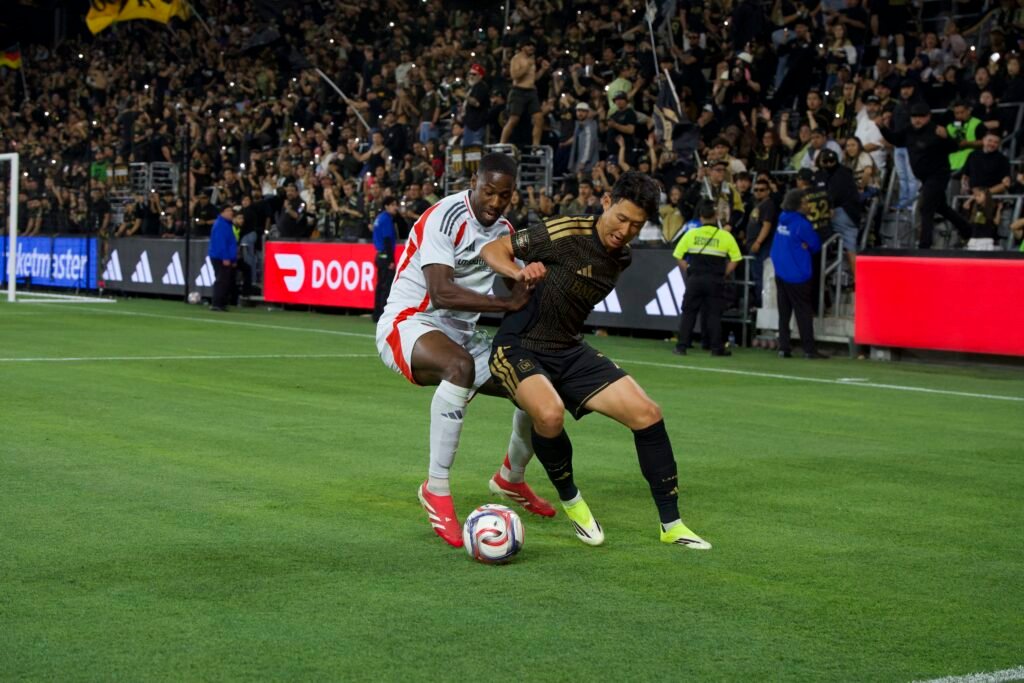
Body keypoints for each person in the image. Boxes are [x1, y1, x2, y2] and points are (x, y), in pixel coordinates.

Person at [481, 171, 711, 550]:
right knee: (550, 414)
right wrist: (519, 272)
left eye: (636, 225)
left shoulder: (622, 257)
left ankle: (672, 524)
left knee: (648, 413)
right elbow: (494, 249)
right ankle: (574, 503)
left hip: (569, 349)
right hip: (518, 345)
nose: (625, 230)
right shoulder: (567, 231)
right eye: (621, 218)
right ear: (606, 202)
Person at [375, 153, 553, 549]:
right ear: (474, 182)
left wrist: (526, 277)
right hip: (411, 323)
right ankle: (435, 487)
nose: (495, 202)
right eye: (489, 192)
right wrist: (507, 304)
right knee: (458, 367)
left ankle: (511, 478)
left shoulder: (504, 230)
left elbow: (513, 290)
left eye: (504, 196)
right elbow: (441, 291)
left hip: (461, 334)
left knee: (529, 381)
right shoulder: (445, 216)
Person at [879, 102, 972, 248]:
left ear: (928, 117)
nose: (917, 120)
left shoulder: (936, 130)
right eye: (914, 117)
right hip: (924, 177)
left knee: (926, 207)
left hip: (938, 174)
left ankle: (925, 244)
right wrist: (882, 128)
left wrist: (946, 137)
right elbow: (896, 140)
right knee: (941, 207)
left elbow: (954, 147)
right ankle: (967, 230)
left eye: (921, 117)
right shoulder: (908, 130)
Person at [672, 200, 743, 357]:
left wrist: (689, 270)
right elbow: (736, 258)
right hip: (715, 280)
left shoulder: (691, 234)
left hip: (695, 278)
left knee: (689, 312)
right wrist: (725, 272)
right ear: (716, 216)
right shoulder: (725, 236)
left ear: (701, 217)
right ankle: (716, 348)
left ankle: (681, 346)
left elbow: (678, 256)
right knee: (714, 314)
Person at [771, 190, 827, 359]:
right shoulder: (802, 224)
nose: (808, 205)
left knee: (784, 312)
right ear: (797, 205)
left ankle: (784, 347)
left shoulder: (782, 219)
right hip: (798, 274)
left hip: (781, 271)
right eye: (805, 202)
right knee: (803, 313)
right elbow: (815, 245)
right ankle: (809, 349)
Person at [500, 36, 547, 147]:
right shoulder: (516, 59)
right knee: (514, 119)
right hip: (519, 91)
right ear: (522, 47)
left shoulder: (532, 60)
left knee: (539, 118)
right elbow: (515, 76)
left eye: (532, 46)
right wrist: (526, 67)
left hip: (531, 91)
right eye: (528, 45)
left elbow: (533, 79)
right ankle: (502, 143)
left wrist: (543, 70)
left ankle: (536, 146)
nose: (531, 48)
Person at [372, 196, 398, 323]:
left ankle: (376, 313)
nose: (395, 207)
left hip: (379, 254)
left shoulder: (379, 218)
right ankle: (383, 314)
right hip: (386, 256)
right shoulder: (387, 219)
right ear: (387, 206)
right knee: (386, 286)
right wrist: (391, 260)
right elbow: (387, 240)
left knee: (380, 285)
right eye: (393, 204)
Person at [208, 205, 238, 313]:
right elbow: (221, 243)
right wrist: (226, 257)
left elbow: (230, 243)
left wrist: (233, 259)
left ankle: (221, 302)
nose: (231, 213)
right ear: (222, 213)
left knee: (225, 280)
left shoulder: (226, 224)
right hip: (220, 257)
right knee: (221, 280)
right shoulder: (221, 225)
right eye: (228, 211)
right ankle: (217, 303)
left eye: (231, 210)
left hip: (224, 256)